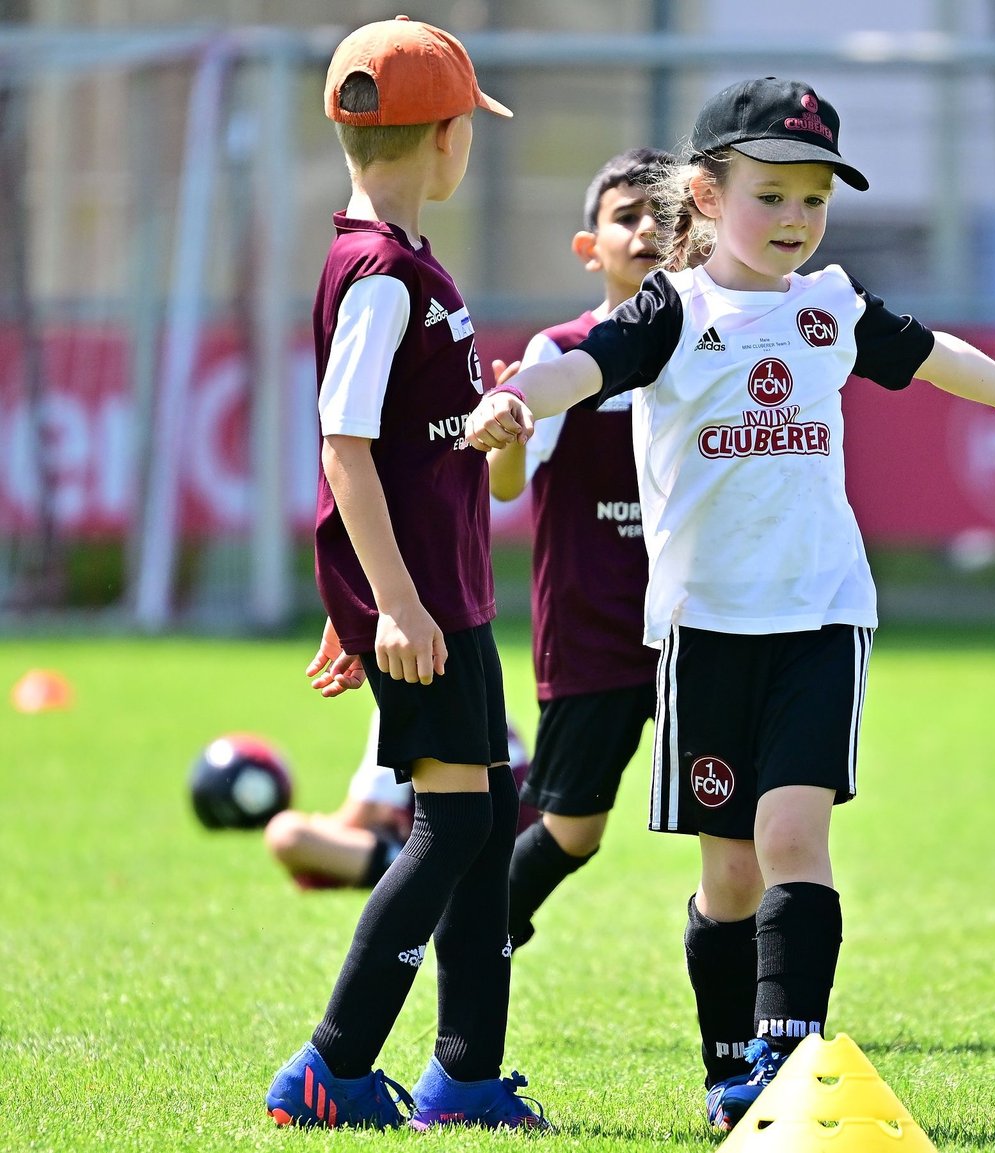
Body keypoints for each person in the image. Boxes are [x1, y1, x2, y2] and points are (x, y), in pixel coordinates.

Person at [464, 77, 995, 1131]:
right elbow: (584, 365)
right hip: (702, 629)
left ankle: (788, 1065)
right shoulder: (671, 310)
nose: (796, 220)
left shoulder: (830, 305)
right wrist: (517, 400)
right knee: (731, 872)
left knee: (795, 836)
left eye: (813, 198)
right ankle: (726, 1071)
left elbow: (931, 357)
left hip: (818, 617)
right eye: (772, 196)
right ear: (705, 198)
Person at [266, 17, 545, 1130]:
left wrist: (476, 423)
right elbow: (343, 446)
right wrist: (382, 598)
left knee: (488, 809)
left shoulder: (400, 263)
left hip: (441, 593)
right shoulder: (382, 272)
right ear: (447, 139)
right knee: (448, 823)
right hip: (421, 599)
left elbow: (393, 439)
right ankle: (328, 1068)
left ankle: (465, 1075)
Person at [484, 148, 694, 950]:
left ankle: (759, 1020)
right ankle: (479, 930)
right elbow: (507, 486)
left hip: (702, 624)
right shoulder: (562, 354)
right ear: (590, 247)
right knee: (573, 828)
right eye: (627, 216)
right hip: (593, 633)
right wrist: (506, 431)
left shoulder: (715, 345)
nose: (647, 230)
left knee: (743, 827)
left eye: (665, 217)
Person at [264, 713, 539, 891]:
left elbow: (359, 816)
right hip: (514, 849)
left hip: (457, 849)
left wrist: (318, 825)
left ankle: (410, 870)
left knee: (287, 832)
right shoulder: (478, 676)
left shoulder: (406, 694)